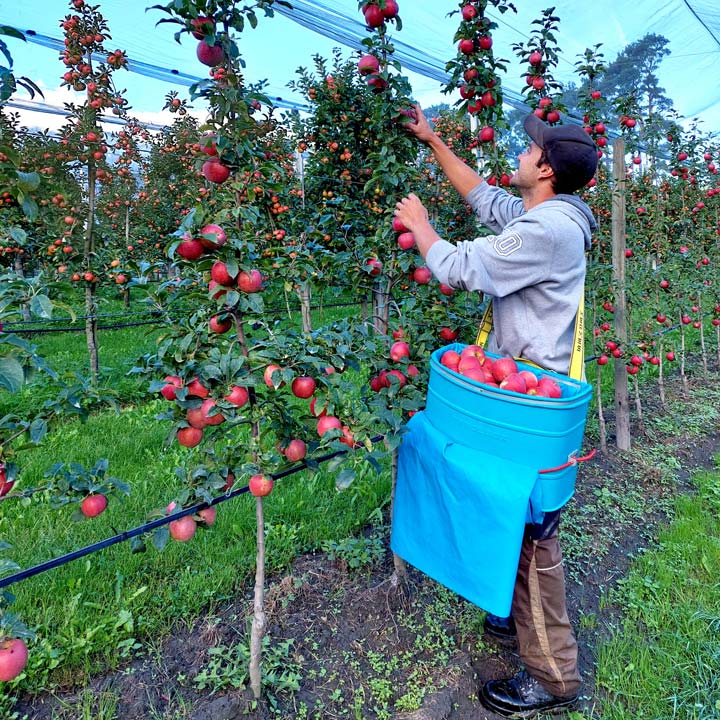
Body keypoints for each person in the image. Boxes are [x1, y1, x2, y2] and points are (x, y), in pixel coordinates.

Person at [393, 105, 598, 719]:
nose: (518, 153)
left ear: (545, 168)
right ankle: (511, 620)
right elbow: (483, 197)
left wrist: (421, 227)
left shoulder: (547, 231)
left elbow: (458, 270)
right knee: (510, 508)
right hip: (513, 389)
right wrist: (434, 142)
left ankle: (554, 678)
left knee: (535, 535)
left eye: (527, 148)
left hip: (533, 401)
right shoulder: (546, 214)